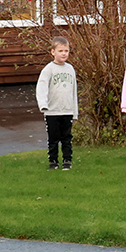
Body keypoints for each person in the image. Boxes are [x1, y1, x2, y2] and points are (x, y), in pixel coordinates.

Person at [37, 35, 79, 170]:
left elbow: (73, 92)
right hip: (52, 111)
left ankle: (67, 160)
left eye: (66, 51)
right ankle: (53, 161)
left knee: (67, 137)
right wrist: (43, 104)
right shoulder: (48, 69)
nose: (64, 54)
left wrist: (75, 112)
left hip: (67, 110)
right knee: (53, 138)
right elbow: (41, 87)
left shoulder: (70, 69)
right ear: (53, 52)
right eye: (61, 51)